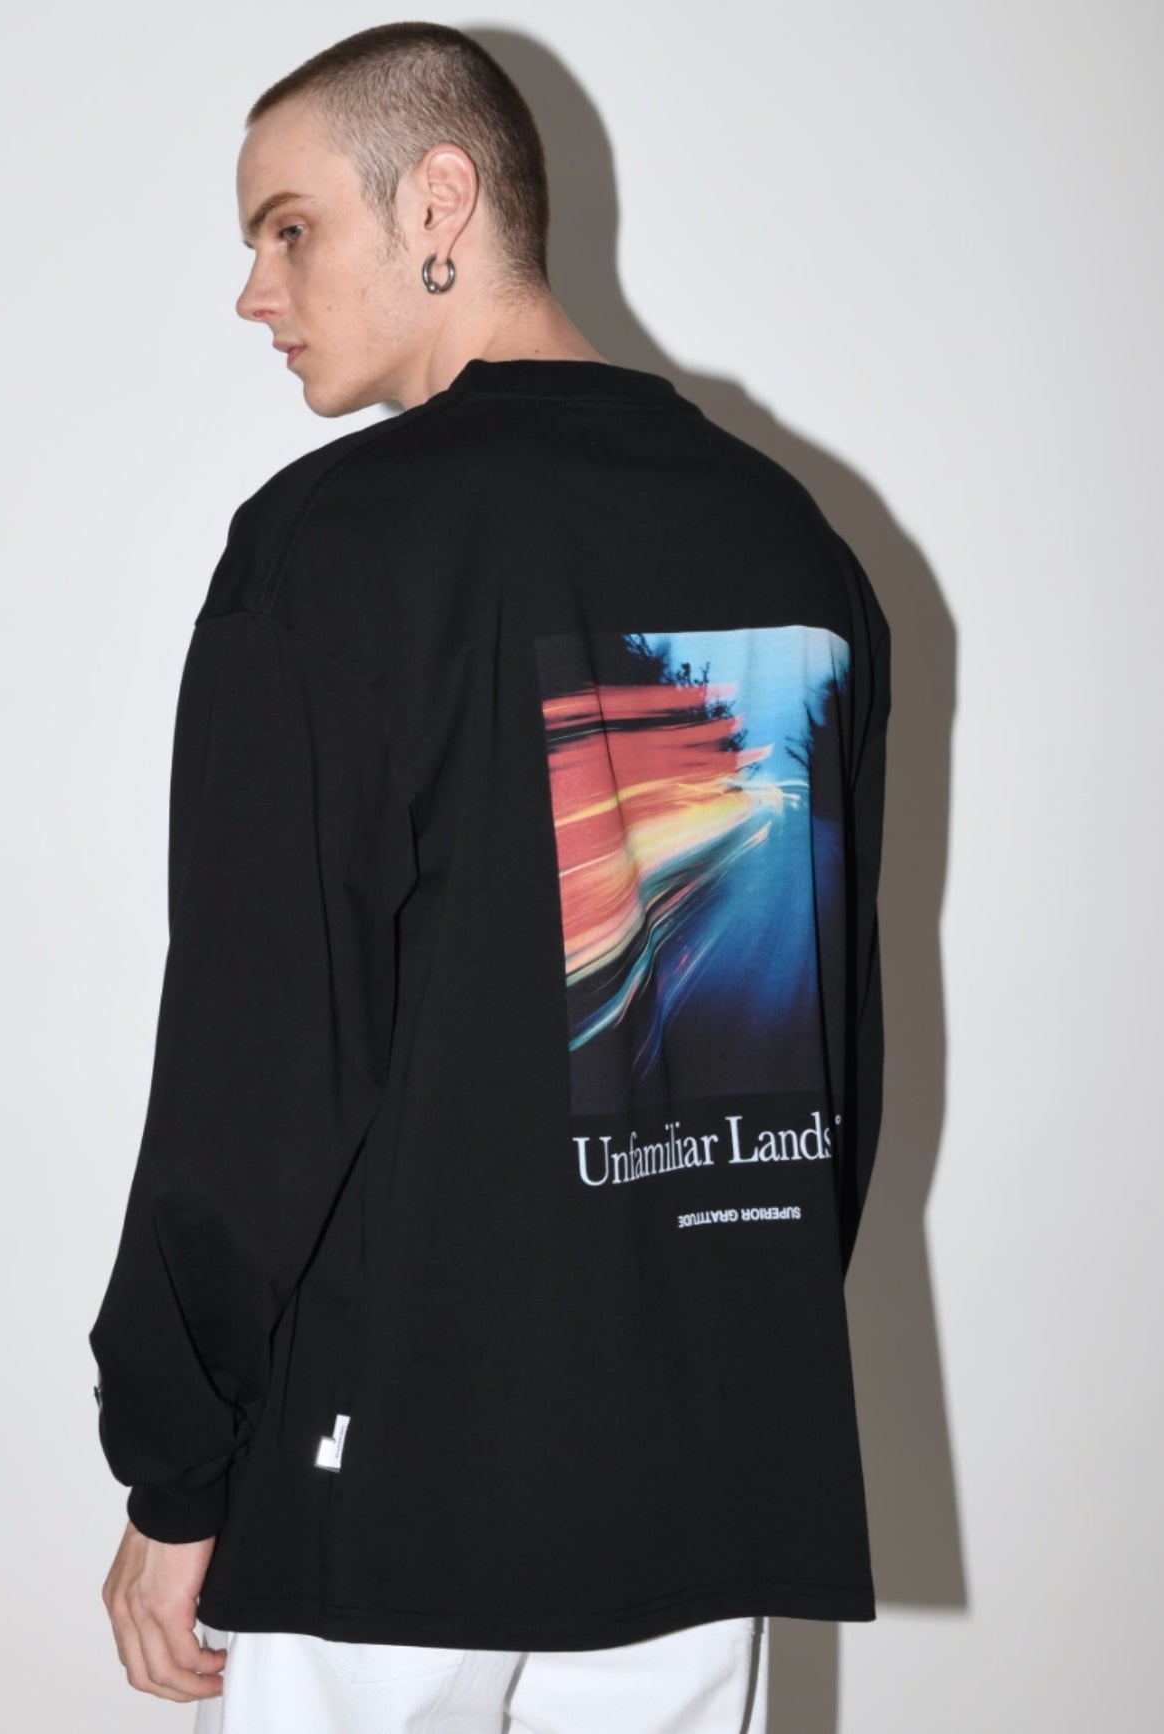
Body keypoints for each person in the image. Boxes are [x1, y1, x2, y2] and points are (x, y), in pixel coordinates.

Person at [86, 22, 890, 1734]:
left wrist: (175, 1460)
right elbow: (828, 1061)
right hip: (706, 1466)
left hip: (384, 1482)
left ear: (437, 199)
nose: (253, 290)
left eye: (289, 227)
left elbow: (259, 1056)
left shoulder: (331, 547)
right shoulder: (789, 539)